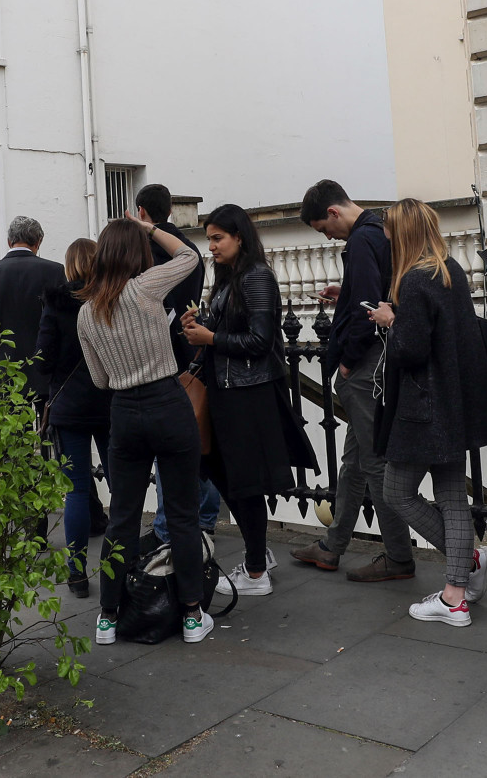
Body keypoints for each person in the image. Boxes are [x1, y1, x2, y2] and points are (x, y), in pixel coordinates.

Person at [365, 198, 487, 627]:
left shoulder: (414, 280)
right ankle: (456, 591)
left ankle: (464, 575)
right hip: (453, 401)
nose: (384, 235)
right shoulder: (449, 269)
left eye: (389, 229)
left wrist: (390, 319)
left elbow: (411, 348)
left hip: (422, 406)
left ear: (402, 232)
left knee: (396, 492)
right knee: (449, 495)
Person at [78, 216, 212, 644]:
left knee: (122, 519)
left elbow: (98, 380)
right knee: (183, 514)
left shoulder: (86, 313)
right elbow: (190, 256)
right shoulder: (147, 286)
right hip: (167, 404)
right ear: (137, 252)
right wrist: (152, 228)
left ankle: (107, 616)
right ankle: (191, 615)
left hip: (125, 412)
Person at [181, 204, 314, 595]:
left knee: (243, 483)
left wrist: (211, 338)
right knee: (228, 477)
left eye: (218, 238)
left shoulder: (256, 276)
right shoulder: (230, 277)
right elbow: (230, 328)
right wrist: (199, 326)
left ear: (239, 236)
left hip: (248, 393)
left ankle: (256, 571)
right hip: (229, 391)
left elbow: (260, 340)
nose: (212, 247)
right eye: (209, 239)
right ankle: (259, 556)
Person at [293, 181, 413, 582]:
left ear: (333, 212)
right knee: (355, 461)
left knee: (374, 462)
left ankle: (397, 556)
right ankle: (332, 546)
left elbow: (367, 304)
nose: (327, 236)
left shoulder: (361, 240)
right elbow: (376, 291)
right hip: (376, 360)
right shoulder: (380, 230)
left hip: (363, 367)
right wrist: (344, 292)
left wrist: (347, 361)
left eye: (323, 229)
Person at [138, 185, 215, 545]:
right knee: (193, 436)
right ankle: (205, 514)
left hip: (160, 351)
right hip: (188, 345)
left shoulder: (147, 249)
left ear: (141, 212)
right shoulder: (188, 246)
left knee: (167, 442)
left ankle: (169, 526)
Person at [39, 237, 106, 596]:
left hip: (69, 404)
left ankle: (77, 573)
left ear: (69, 265)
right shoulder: (111, 297)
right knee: (122, 484)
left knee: (76, 489)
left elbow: (44, 356)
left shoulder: (56, 303)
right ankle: (122, 566)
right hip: (111, 401)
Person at [0, 215, 69, 407]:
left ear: (9, 241)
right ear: (38, 242)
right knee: (47, 434)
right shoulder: (54, 271)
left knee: (13, 434)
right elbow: (63, 322)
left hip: (7, 370)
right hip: (47, 370)